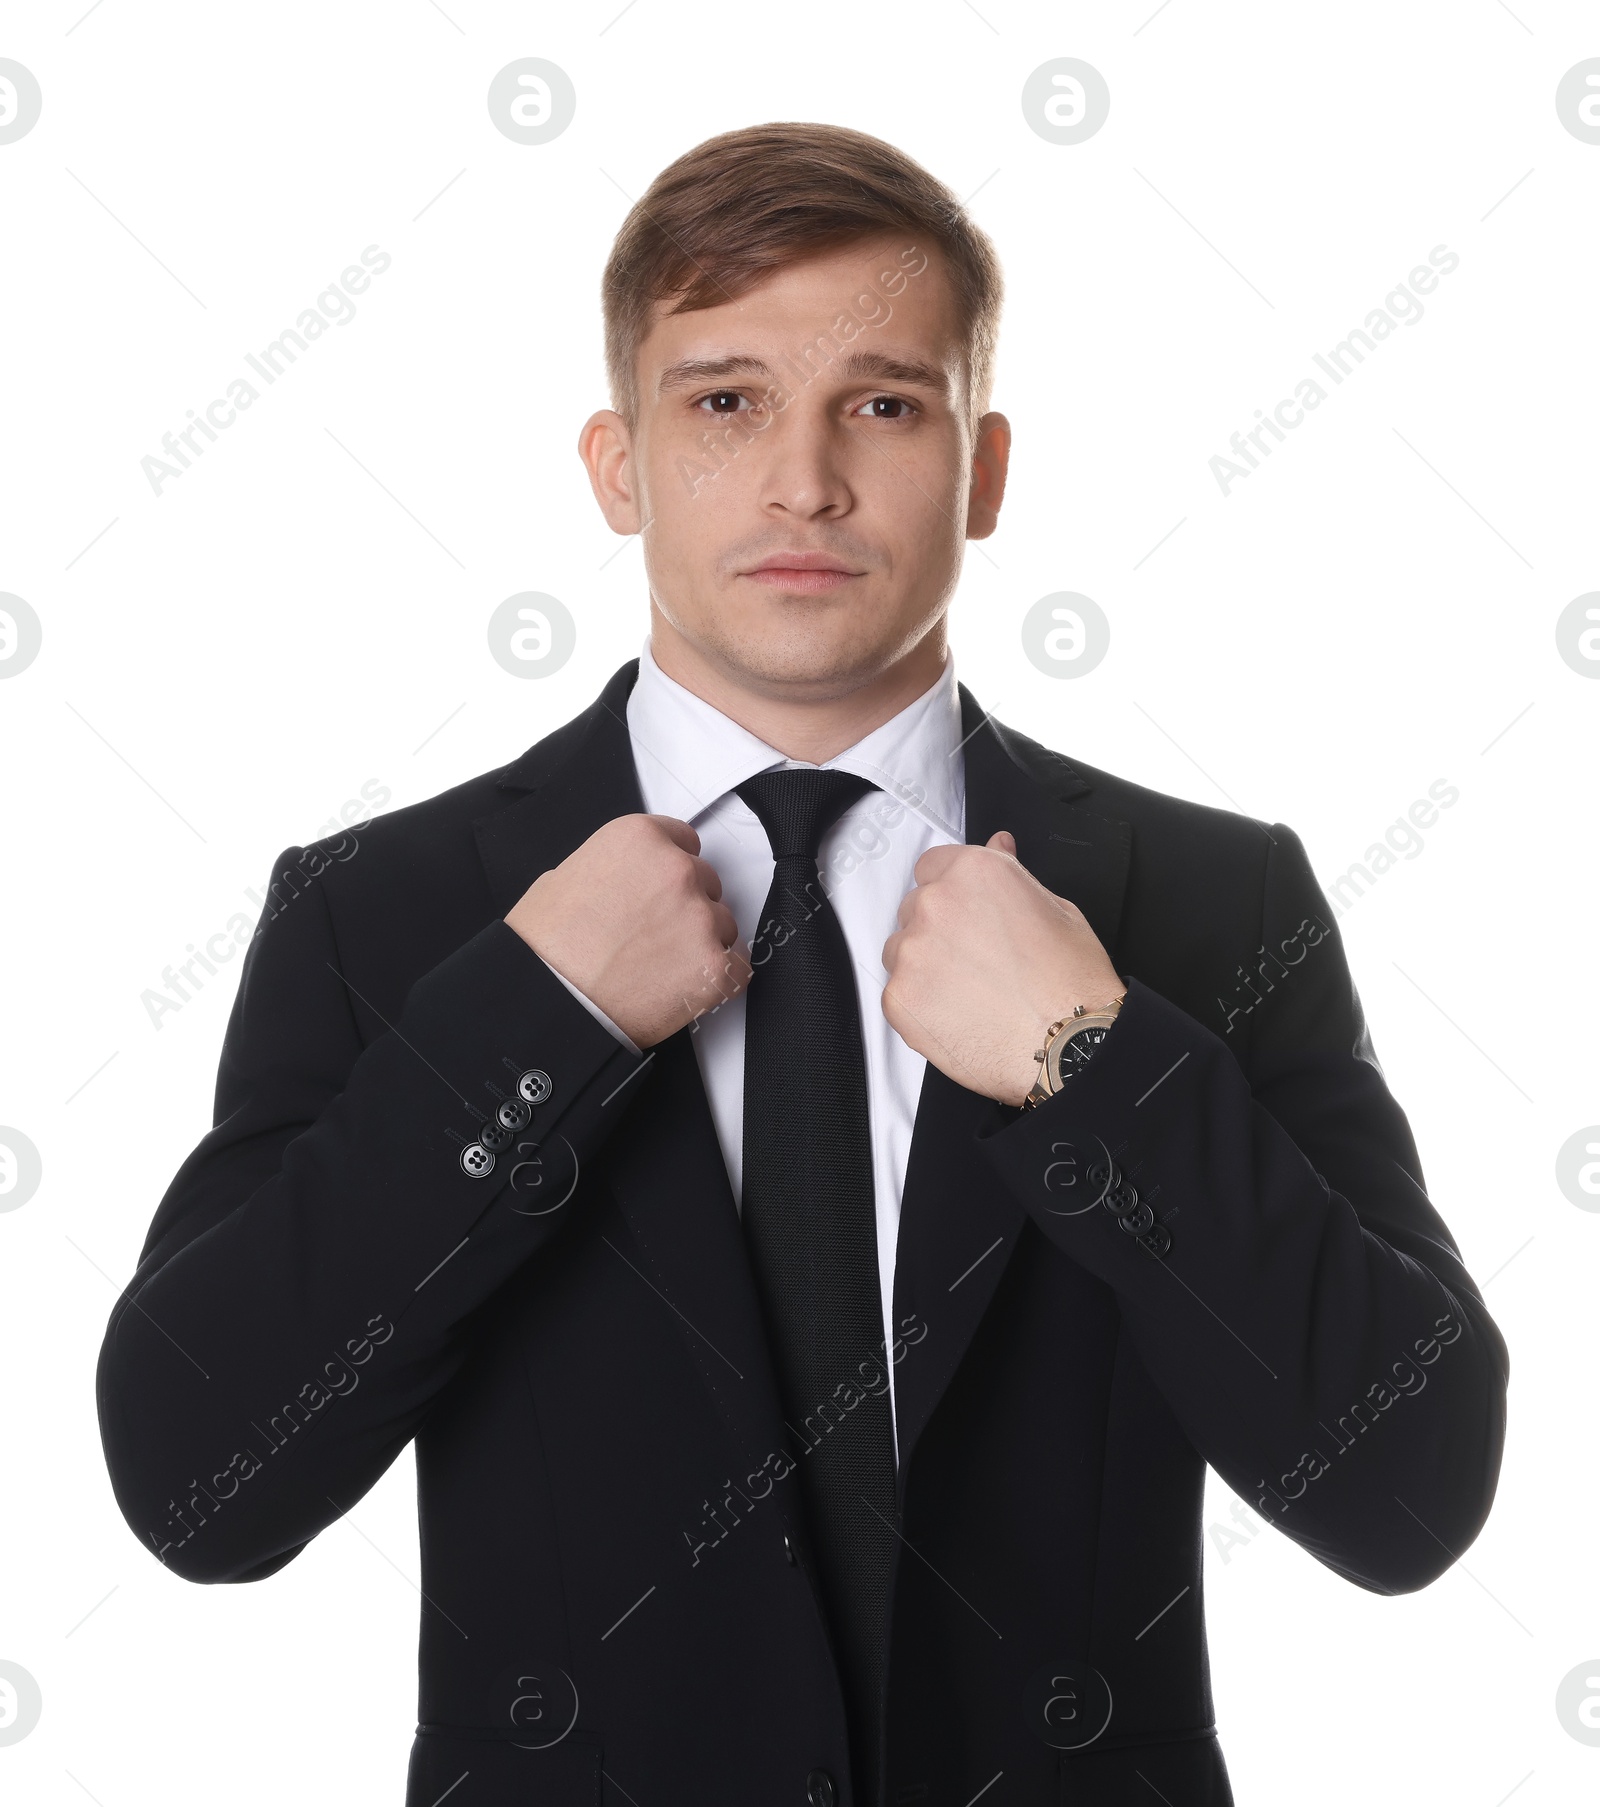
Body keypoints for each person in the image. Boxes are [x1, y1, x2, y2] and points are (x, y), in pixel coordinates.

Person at [96, 122, 1508, 1807]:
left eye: (886, 405)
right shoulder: (383, 914)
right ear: (617, 464)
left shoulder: (1207, 899)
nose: (805, 483)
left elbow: (1408, 1494)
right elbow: (200, 1493)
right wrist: (527, 1030)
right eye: (725, 402)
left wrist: (1096, 1068)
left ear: (984, 468)